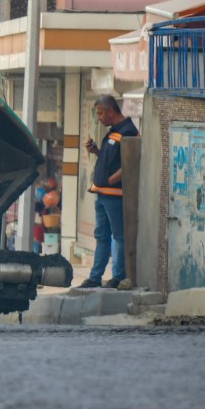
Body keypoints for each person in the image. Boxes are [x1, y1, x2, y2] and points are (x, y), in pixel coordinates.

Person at [78, 95, 137, 289]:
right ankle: (95, 278)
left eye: (101, 113)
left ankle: (118, 277)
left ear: (111, 111)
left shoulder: (128, 131)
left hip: (115, 196)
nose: (99, 118)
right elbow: (112, 160)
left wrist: (110, 181)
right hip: (102, 194)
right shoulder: (113, 133)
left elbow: (132, 162)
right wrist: (96, 151)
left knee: (118, 237)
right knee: (101, 236)